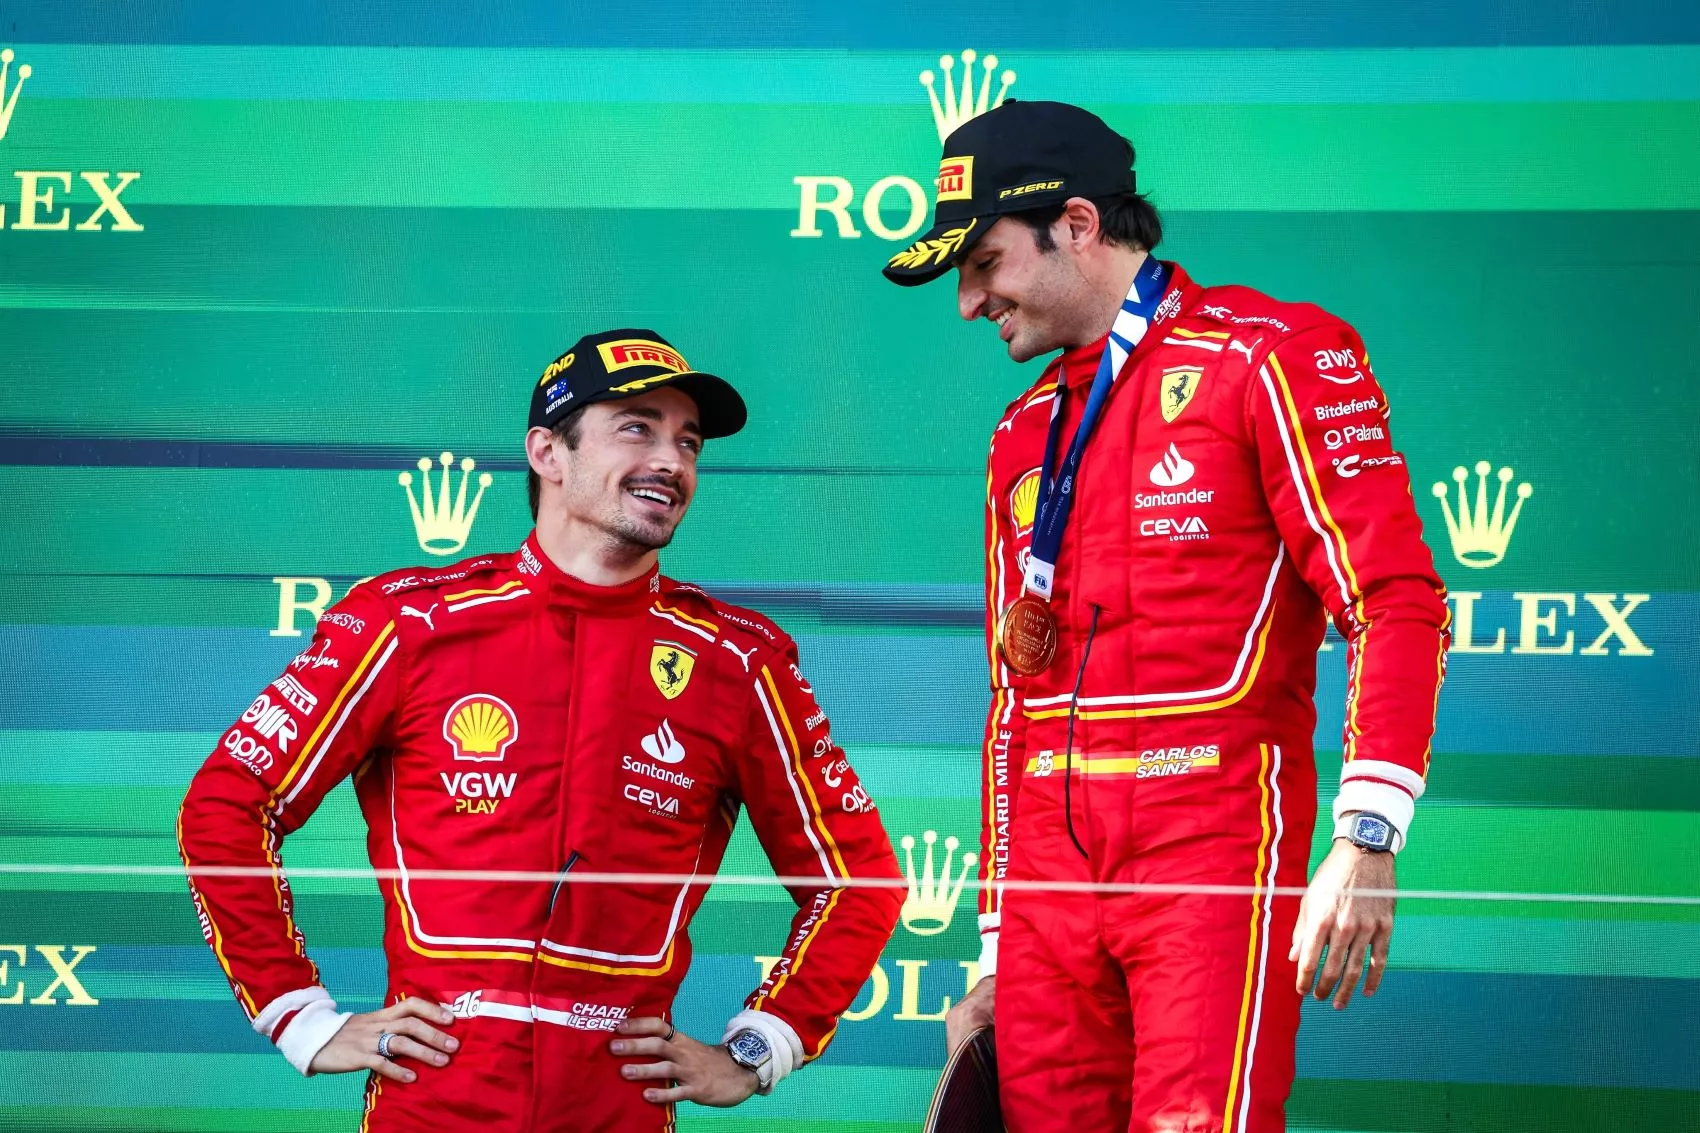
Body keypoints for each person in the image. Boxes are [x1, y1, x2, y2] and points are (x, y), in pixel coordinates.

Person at [883, 102, 1450, 1131]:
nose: (968, 302)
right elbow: (1013, 702)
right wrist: (998, 941)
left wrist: (1367, 833)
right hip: (1051, 883)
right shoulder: (1021, 434)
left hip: (1209, 843)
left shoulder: (1269, 353)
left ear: (1075, 223)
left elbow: (1390, 598)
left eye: (984, 263)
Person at [177, 329, 903, 1131]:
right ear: (548, 453)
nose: (672, 460)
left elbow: (857, 877)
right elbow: (229, 801)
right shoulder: (407, 621)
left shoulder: (738, 659)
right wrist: (297, 1013)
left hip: (620, 1108)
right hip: (433, 1105)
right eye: (638, 427)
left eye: (688, 441)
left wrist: (764, 1044)